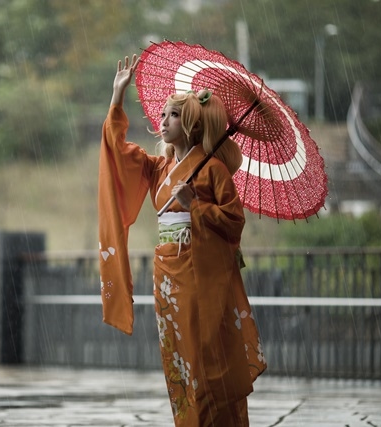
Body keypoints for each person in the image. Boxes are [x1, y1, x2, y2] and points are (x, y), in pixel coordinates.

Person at [98, 54, 267, 426]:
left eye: (173, 115)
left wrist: (196, 208)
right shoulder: (159, 168)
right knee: (178, 362)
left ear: (191, 124)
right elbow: (116, 150)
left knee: (206, 361)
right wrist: (116, 96)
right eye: (163, 115)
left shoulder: (215, 170)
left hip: (202, 277)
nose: (163, 120)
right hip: (168, 277)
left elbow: (234, 224)